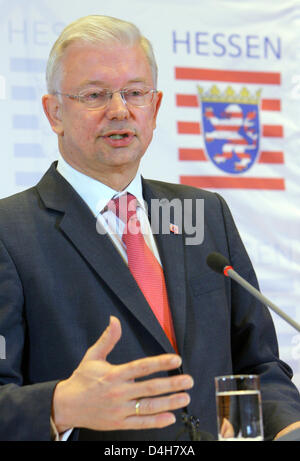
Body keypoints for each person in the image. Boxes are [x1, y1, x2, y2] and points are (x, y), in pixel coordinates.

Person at [0, 14, 300, 442]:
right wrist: (59, 406)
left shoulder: (204, 212)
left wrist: (289, 427)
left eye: (135, 93)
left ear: (155, 108)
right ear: (54, 113)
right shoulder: (10, 233)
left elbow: (259, 366)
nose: (119, 110)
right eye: (95, 95)